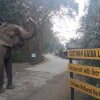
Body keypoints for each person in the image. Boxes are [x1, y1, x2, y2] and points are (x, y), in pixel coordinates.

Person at [0, 16, 35, 93]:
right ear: (7, 35)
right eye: (17, 34)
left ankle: (9, 84)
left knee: (9, 65)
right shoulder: (3, 38)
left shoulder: (9, 46)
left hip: (7, 43)